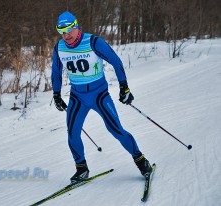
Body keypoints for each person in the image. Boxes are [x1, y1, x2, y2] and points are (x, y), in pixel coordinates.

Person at [51, 11, 152, 183]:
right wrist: (56, 93)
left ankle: (141, 161)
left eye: (68, 30)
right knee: (72, 133)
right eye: (61, 32)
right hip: (77, 97)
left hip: (99, 95)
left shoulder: (93, 42)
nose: (65, 35)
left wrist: (124, 88)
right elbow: (56, 72)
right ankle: (81, 169)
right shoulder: (59, 48)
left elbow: (116, 61)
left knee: (116, 130)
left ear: (76, 27)